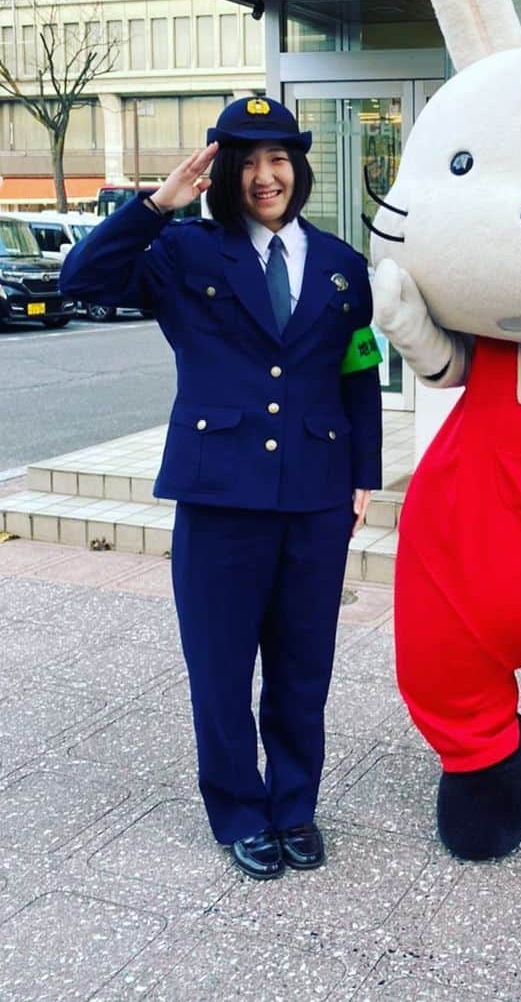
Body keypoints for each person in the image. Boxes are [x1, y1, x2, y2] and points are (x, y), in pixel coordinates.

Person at [60, 97, 382, 880]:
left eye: (278, 160)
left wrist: (364, 472)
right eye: (246, 162)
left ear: (298, 169)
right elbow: (82, 279)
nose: (265, 176)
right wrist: (155, 207)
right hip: (220, 494)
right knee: (221, 666)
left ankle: (295, 809)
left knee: (305, 667)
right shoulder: (185, 254)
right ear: (224, 174)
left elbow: (360, 370)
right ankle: (241, 811)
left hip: (314, 495)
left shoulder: (341, 262)